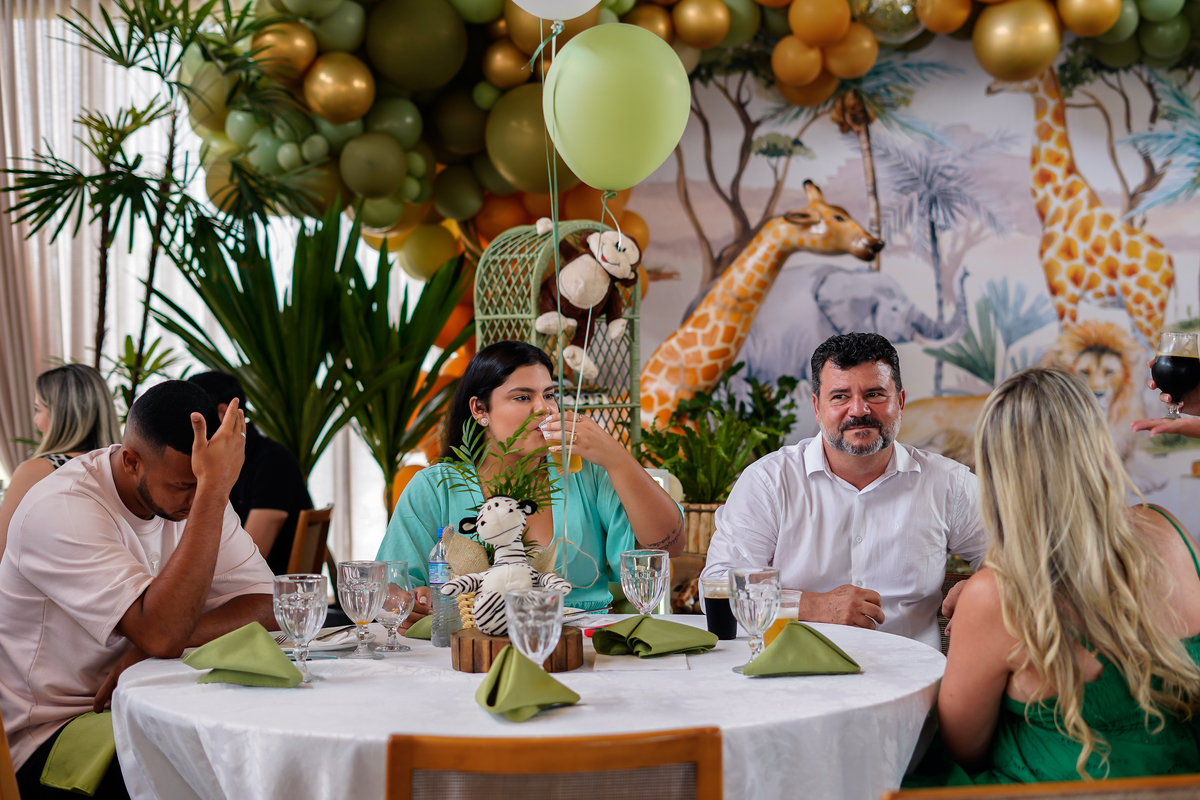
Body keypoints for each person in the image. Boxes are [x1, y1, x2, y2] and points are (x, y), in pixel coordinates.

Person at [908, 367, 1200, 785]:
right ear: (1097, 445)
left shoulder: (997, 595)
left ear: (999, 471)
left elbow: (964, 748)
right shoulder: (1168, 529)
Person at [0, 380, 277, 798]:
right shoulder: (62, 508)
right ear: (131, 461)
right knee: (215, 775)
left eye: (205, 485)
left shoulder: (201, 488)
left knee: (258, 752)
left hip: (151, 699)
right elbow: (162, 633)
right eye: (184, 486)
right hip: (55, 729)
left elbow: (269, 604)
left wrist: (147, 652)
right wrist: (211, 496)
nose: (196, 498)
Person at [701, 332, 988, 650]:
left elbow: (1016, 559)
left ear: (900, 402)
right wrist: (812, 606)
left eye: (875, 394)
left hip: (916, 674)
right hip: (792, 672)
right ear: (817, 407)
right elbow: (717, 587)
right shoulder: (768, 482)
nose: (858, 410)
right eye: (840, 396)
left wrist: (987, 585)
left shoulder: (949, 483)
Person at [378, 340, 684, 629]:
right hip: (469, 647)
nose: (545, 409)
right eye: (523, 397)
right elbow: (387, 587)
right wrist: (404, 603)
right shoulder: (434, 487)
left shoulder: (585, 472)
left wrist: (616, 457)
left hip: (582, 643)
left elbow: (669, 548)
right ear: (480, 409)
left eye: (549, 395)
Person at [188, 371, 313, 574]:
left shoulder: (273, 462)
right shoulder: (221, 465)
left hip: (266, 587)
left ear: (223, 413)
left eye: (195, 420)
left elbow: (247, 561)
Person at [0, 364, 121, 554]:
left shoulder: (38, 471)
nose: (36, 420)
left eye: (38, 410)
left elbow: (3, 549)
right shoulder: (123, 470)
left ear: (60, 416)